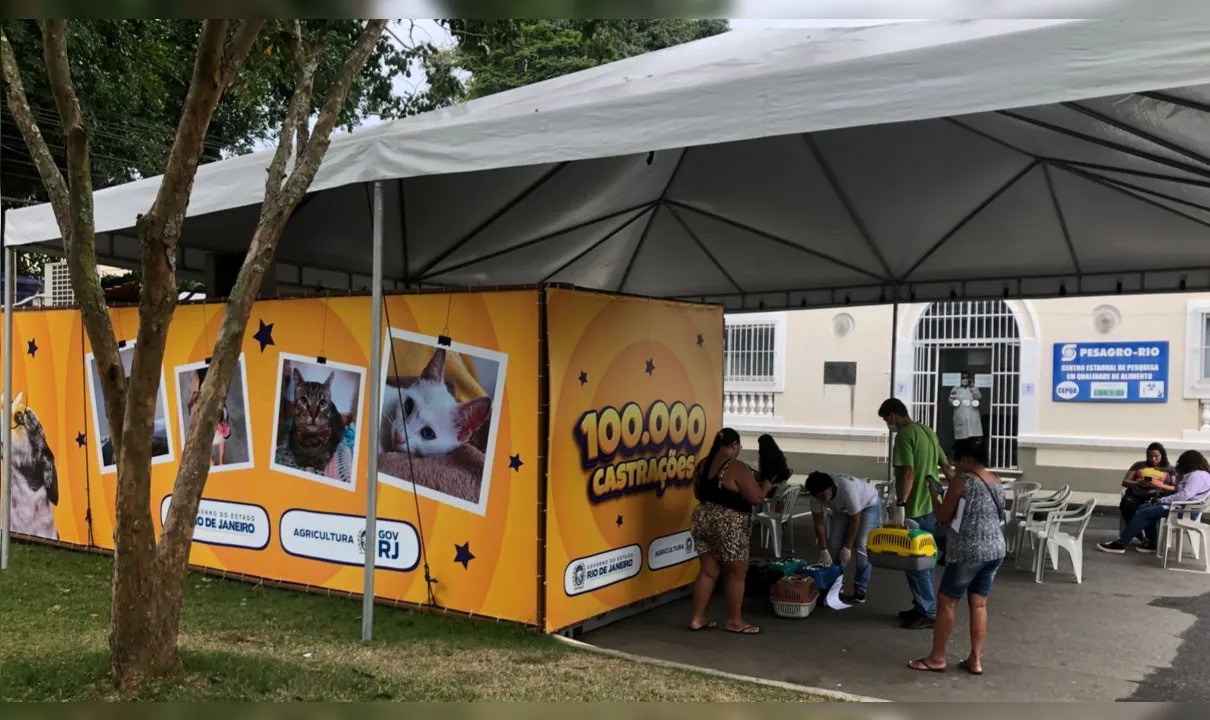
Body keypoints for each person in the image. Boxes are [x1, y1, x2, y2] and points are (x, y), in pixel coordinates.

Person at [908, 437, 1006, 675]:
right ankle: (975, 659)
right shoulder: (995, 479)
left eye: (955, 459)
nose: (952, 464)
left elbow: (942, 516)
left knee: (946, 602)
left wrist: (934, 493)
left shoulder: (962, 480)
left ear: (967, 459)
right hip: (995, 549)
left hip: (968, 551)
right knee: (979, 603)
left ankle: (937, 658)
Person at [688, 428, 773, 635]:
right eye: (738, 447)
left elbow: (698, 492)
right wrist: (767, 485)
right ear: (733, 445)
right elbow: (756, 498)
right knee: (736, 573)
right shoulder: (735, 467)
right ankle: (735, 621)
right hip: (729, 522)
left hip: (702, 517)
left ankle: (697, 618)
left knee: (708, 571)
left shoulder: (702, 465)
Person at [879, 398, 952, 630]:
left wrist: (901, 502)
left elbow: (908, 471)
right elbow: (946, 465)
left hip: (915, 509)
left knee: (914, 561)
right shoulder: (928, 431)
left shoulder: (904, 435)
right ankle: (922, 605)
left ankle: (928, 612)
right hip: (932, 506)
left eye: (885, 420)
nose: (887, 425)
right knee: (926, 559)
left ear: (892, 416)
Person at [1098, 449, 1210, 554]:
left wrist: (1163, 500)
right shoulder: (1198, 475)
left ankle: (1120, 544)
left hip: (1182, 511)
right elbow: (1178, 490)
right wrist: (1179, 475)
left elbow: (1184, 495)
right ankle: (1152, 543)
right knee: (1144, 508)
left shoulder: (1197, 475)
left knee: (1144, 512)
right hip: (1180, 507)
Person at [805, 471, 883, 604]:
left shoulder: (847, 489)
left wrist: (847, 547)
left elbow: (855, 520)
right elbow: (818, 522)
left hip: (868, 505)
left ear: (830, 489)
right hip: (842, 509)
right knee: (835, 544)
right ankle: (837, 582)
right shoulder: (816, 496)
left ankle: (860, 587)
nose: (821, 500)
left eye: (822, 496)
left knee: (862, 546)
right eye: (817, 497)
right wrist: (823, 550)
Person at [1119, 442, 1176, 529]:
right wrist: (1138, 483)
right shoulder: (1139, 465)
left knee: (1149, 510)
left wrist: (1160, 485)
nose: (1153, 459)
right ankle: (1139, 535)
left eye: (1156, 456)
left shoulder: (1170, 469)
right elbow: (1125, 482)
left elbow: (1174, 488)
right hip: (1136, 495)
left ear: (1162, 455)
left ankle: (1150, 538)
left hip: (1157, 497)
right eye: (1150, 456)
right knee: (1127, 505)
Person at [949, 371, 983, 441]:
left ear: (970, 379)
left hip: (972, 417)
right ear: (960, 379)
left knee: (973, 438)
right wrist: (954, 403)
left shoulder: (974, 388)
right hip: (961, 417)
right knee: (962, 440)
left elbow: (978, 397)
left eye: (967, 378)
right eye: (963, 377)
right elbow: (950, 400)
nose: (965, 379)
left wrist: (972, 387)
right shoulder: (955, 389)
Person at [756, 433, 792, 498]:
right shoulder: (778, 454)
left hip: (771, 489)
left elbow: (766, 476)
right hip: (779, 488)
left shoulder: (767, 458)